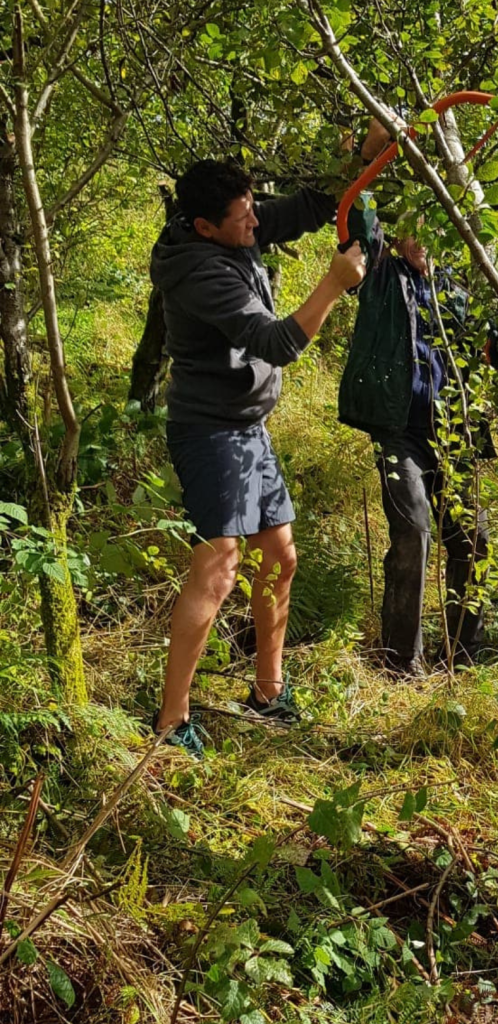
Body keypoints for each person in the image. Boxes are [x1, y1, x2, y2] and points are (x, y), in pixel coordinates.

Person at [150, 142, 383, 757]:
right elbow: (276, 343)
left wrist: (361, 157)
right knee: (220, 564)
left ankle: (267, 692)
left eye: (254, 210)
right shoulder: (199, 271)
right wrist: (332, 285)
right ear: (205, 227)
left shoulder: (235, 225)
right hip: (209, 429)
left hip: (247, 428)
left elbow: (308, 206)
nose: (256, 223)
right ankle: (172, 722)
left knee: (279, 556)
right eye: (243, 219)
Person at [337, 143, 493, 678]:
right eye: (413, 230)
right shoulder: (381, 270)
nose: (422, 241)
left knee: (474, 539)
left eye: (432, 230)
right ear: (398, 234)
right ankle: (401, 663)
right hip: (399, 431)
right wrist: (376, 151)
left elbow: (489, 344)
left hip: (452, 436)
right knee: (414, 530)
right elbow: (361, 212)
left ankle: (463, 659)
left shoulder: (455, 288)